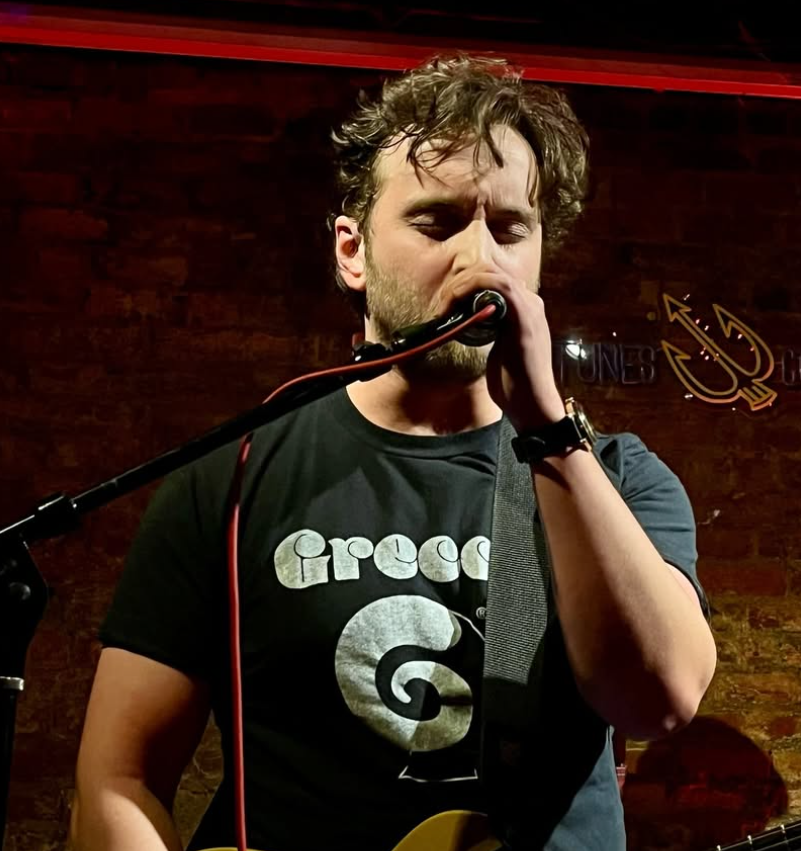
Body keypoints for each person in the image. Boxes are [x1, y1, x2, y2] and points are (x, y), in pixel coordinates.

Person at [69, 54, 716, 851]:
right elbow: (119, 777)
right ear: (352, 252)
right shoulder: (233, 476)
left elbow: (658, 701)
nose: (480, 259)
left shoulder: (615, 476)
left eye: (509, 228)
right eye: (436, 222)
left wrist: (547, 429)